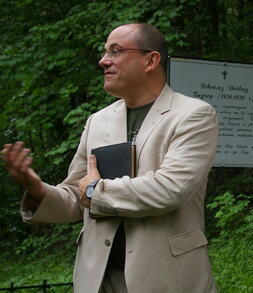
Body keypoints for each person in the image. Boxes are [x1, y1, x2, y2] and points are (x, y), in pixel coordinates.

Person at [2, 23, 218, 293]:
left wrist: (95, 190)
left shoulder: (194, 115)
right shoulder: (98, 121)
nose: (104, 61)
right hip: (97, 280)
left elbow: (169, 189)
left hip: (166, 278)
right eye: (105, 53)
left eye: (115, 52)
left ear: (151, 60)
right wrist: (35, 188)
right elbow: (74, 197)